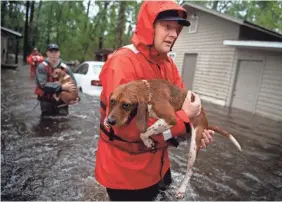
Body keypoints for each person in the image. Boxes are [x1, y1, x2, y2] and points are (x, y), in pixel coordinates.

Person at [95, 1, 215, 201]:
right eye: (167, 26)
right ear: (148, 26)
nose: (174, 34)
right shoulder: (122, 63)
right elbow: (125, 127)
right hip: (126, 175)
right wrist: (185, 119)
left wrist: (196, 131)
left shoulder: (169, 65)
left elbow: (183, 107)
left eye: (176, 29)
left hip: (159, 167)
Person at [34, 43, 79, 116]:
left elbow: (73, 84)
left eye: (56, 52)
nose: (53, 54)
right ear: (47, 53)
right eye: (51, 52)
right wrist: (61, 87)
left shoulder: (65, 68)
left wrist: (77, 98)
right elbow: (43, 85)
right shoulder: (41, 67)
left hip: (62, 102)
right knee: (46, 122)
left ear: (59, 53)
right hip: (47, 101)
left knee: (63, 122)